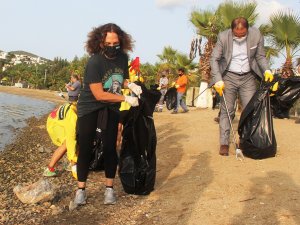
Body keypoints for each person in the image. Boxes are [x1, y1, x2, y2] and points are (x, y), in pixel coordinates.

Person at [70, 23, 141, 209]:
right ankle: (81, 190)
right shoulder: (95, 62)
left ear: (121, 41)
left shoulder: (123, 57)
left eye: (115, 42)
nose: (112, 45)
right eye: (108, 42)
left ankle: (109, 189)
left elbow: (120, 78)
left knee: (110, 147)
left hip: (112, 107)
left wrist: (130, 84)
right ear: (100, 42)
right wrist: (125, 97)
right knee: (85, 146)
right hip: (90, 107)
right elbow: (99, 94)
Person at [210, 17, 274, 156]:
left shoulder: (256, 35)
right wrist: (218, 80)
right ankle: (224, 143)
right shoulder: (223, 37)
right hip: (228, 77)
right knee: (228, 111)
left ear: (247, 30)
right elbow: (214, 59)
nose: (239, 36)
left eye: (242, 34)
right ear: (232, 30)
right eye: (236, 34)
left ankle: (244, 141)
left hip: (248, 77)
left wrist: (267, 70)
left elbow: (260, 56)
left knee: (249, 111)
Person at [43, 103, 78, 179]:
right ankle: (49, 169)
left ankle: (71, 163)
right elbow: (71, 141)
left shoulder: (75, 104)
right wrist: (74, 163)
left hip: (57, 119)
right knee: (66, 144)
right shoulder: (73, 117)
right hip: (54, 124)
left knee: (76, 139)